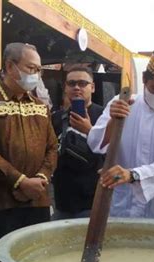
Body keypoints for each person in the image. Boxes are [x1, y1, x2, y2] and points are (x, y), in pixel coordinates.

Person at [0, 42, 58, 262]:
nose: (36, 74)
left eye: (39, 70)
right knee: (0, 261)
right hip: (0, 202)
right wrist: (20, 181)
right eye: (31, 68)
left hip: (38, 199)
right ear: (10, 66)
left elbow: (52, 148)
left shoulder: (40, 106)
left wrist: (42, 179)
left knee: (36, 260)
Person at [87, 49, 154, 220]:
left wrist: (133, 175)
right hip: (121, 202)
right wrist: (113, 121)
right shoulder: (121, 103)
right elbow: (95, 143)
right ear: (144, 79)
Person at [51, 66, 104, 220]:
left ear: (92, 87)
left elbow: (113, 152)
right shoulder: (56, 118)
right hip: (62, 201)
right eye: (71, 83)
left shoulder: (105, 117)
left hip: (93, 200)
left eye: (82, 83)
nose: (76, 88)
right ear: (65, 88)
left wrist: (90, 130)